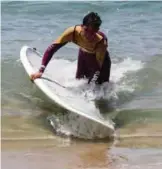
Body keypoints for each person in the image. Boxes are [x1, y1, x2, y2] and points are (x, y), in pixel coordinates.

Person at [31, 12, 111, 85]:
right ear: (82, 26)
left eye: (92, 32)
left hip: (101, 62)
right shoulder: (72, 32)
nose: (88, 35)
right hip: (83, 56)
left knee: (100, 87)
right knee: (79, 81)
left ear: (97, 30)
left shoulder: (101, 42)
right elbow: (52, 48)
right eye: (86, 30)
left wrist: (89, 89)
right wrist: (40, 71)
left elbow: (97, 69)